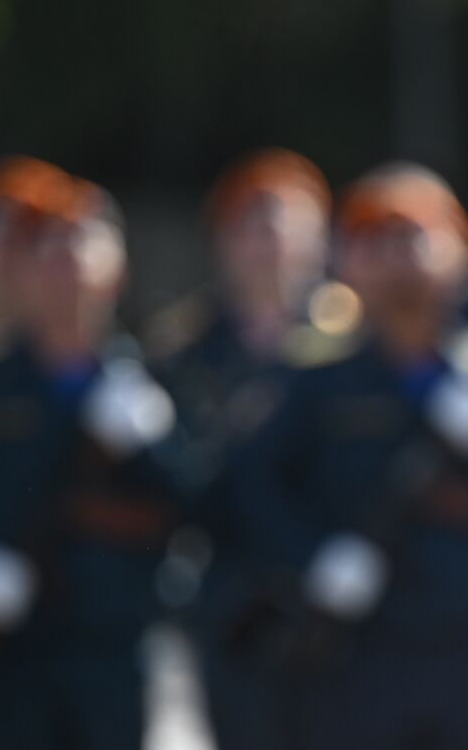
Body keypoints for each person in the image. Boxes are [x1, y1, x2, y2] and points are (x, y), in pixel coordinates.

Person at [226, 162, 468, 749]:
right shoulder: (312, 383)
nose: (398, 257)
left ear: (460, 253)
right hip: (354, 654)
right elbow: (249, 490)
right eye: (374, 241)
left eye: (416, 235)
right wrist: (309, 563)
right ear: (345, 262)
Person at [0, 178, 185, 750]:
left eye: (82, 244)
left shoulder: (158, 380)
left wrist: (154, 445)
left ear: (118, 270)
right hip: (10, 653)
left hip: (110, 647)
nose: (66, 266)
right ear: (21, 273)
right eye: (46, 249)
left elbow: (196, 503)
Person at [142, 147, 335, 750]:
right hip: (231, 598)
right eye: (251, 226)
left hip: (338, 595)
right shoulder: (183, 349)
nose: (271, 244)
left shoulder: (355, 342)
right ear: (222, 242)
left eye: (288, 226)